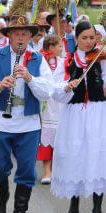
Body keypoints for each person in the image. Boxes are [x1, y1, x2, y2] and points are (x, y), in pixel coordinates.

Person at [50, 21, 106, 213]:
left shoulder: (103, 58)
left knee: (96, 155)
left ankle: (97, 211)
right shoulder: (67, 61)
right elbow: (56, 89)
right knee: (75, 155)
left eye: (92, 37)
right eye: (84, 38)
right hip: (75, 114)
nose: (89, 42)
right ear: (76, 39)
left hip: (98, 112)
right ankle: (74, 199)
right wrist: (67, 86)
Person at [0, 16, 54, 213]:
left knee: (27, 171)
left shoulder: (37, 58)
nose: (21, 37)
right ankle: (2, 196)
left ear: (30, 36)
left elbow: (47, 92)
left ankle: (20, 212)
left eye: (25, 34)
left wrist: (30, 78)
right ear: (8, 35)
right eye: (16, 33)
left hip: (28, 123)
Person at [36, 35, 63, 184]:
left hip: (59, 104)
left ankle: (58, 171)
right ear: (51, 47)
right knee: (46, 140)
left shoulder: (64, 62)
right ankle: (47, 172)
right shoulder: (40, 61)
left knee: (59, 139)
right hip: (45, 105)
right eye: (59, 46)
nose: (62, 48)